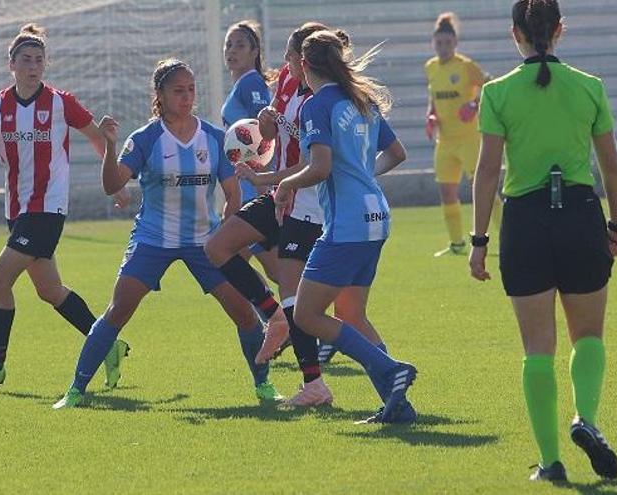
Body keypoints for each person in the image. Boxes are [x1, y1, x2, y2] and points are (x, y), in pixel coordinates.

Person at [53, 58, 282, 409]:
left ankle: (263, 385)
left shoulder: (215, 138)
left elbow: (233, 195)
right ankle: (76, 389)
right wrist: (111, 145)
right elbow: (112, 184)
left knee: (244, 312)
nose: (187, 97)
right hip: (153, 239)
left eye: (191, 90)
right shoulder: (145, 139)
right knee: (118, 310)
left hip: (204, 243)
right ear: (159, 94)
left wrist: (227, 234)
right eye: (178, 91)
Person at [469, 0, 617, 482]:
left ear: (513, 34)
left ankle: (551, 462)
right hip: (580, 216)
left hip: (524, 222)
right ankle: (587, 419)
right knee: (589, 337)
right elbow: (611, 168)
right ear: (559, 30)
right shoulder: (589, 87)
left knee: (538, 348)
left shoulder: (497, 93)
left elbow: (487, 172)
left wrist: (478, 240)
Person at [209, 22, 387, 407]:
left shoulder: (325, 100)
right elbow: (283, 145)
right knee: (219, 246)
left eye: (292, 58)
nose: (287, 65)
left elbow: (314, 163)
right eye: (288, 57)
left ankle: (319, 383)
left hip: (306, 203)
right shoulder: (289, 88)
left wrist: (270, 178)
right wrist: (268, 132)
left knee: (315, 303)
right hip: (281, 195)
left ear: (305, 60)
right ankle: (274, 317)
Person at [0, 23, 129, 395]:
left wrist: (115, 183)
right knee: (50, 291)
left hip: (48, 207)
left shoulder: (60, 101)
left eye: (39, 60)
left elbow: (98, 139)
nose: (33, 66)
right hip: (17, 208)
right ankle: (110, 345)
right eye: (26, 60)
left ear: (45, 65)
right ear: (12, 65)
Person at [274, 30, 417, 424]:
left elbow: (319, 167)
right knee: (352, 314)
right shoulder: (362, 100)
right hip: (376, 217)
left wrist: (285, 183)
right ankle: (398, 405)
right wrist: (362, 176)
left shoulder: (316, 106)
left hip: (347, 223)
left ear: (304, 65)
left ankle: (391, 371)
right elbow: (397, 153)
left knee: (305, 315)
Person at [424, 12, 498, 257]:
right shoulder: (431, 67)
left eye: (447, 43)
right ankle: (457, 244)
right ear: (433, 43)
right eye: (438, 43)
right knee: (446, 192)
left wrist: (474, 104)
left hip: (469, 138)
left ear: (455, 43)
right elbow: (433, 97)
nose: (443, 47)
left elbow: (490, 86)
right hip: (444, 141)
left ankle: (509, 238)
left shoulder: (466, 66)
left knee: (484, 187)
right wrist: (430, 116)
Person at [222, 20, 280, 284]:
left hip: (252, 188)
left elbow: (263, 136)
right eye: (229, 44)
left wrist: (261, 183)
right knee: (237, 260)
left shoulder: (252, 84)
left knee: (229, 255)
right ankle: (272, 321)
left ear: (255, 52)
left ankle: (292, 317)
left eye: (240, 45)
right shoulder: (242, 85)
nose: (231, 50)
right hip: (245, 185)